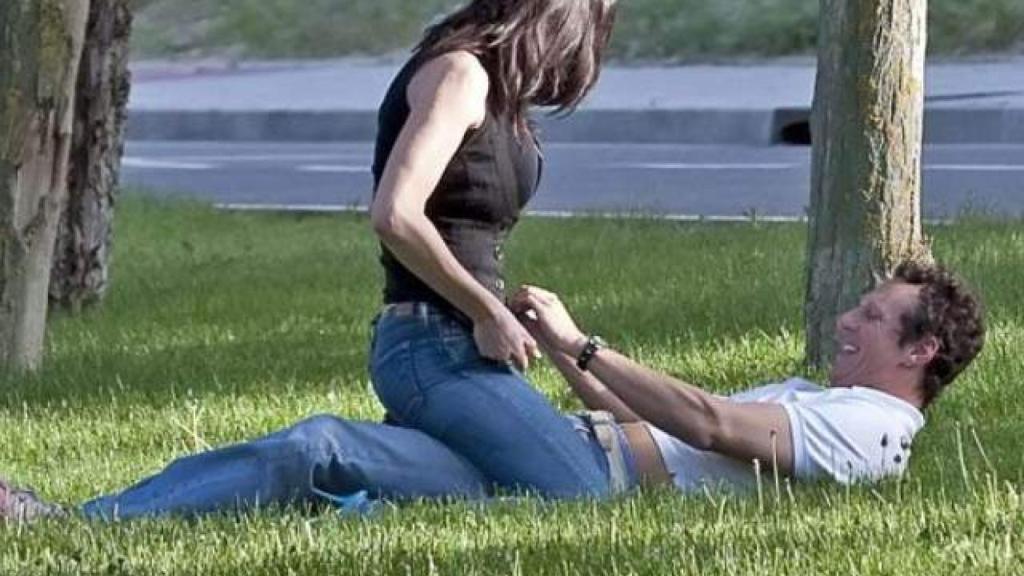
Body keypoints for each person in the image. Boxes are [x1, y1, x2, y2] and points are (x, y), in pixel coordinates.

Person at [0, 261, 985, 522]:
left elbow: (713, 424)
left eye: (869, 314)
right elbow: (658, 416)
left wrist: (580, 341)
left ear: (920, 348)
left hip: (586, 480)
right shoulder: (828, 396)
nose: (847, 321)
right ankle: (90, 524)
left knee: (434, 354)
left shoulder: (874, 433)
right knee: (316, 443)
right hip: (564, 450)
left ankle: (421, 326)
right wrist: (566, 361)